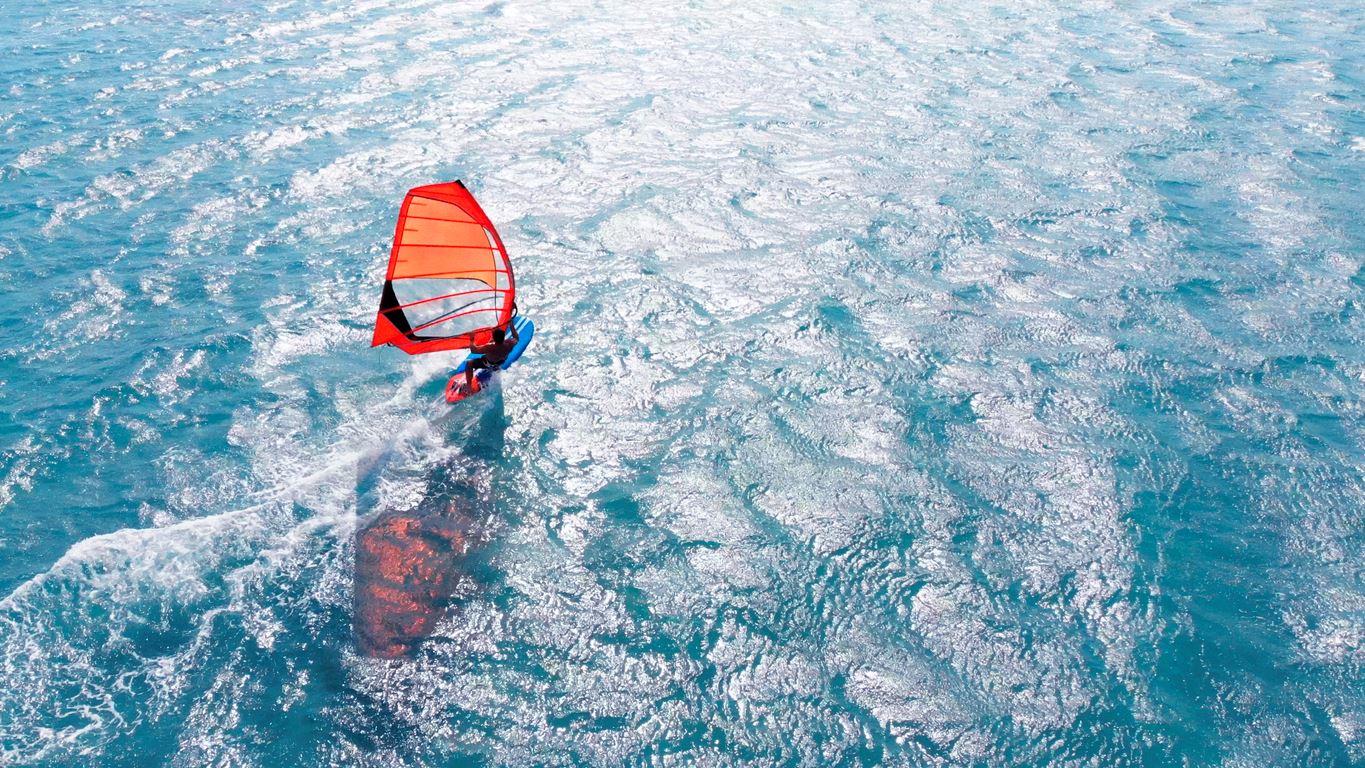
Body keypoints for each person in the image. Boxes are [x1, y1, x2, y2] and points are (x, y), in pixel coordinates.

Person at [462, 324, 518, 394]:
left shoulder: (490, 347)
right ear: (503, 337)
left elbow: (474, 350)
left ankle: (468, 386)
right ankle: (495, 369)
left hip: (488, 363)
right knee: (496, 360)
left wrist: (472, 339)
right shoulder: (510, 344)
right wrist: (511, 325)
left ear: (494, 338)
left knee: (469, 363)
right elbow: (516, 338)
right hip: (500, 362)